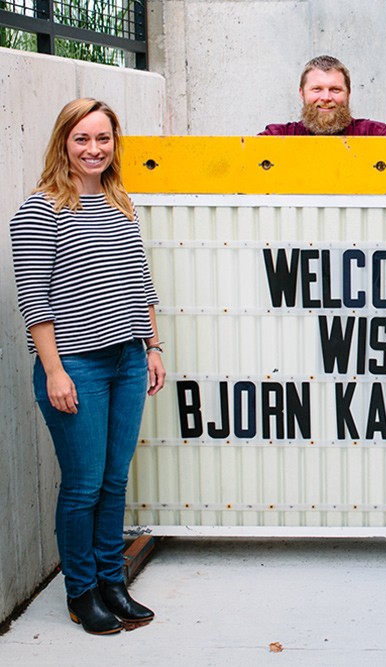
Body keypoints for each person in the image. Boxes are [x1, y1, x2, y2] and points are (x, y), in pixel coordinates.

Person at [10, 99, 166, 635]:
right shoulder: (41, 207)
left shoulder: (119, 200)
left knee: (114, 480)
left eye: (103, 139)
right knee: (82, 486)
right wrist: (54, 372)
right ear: (63, 143)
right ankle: (82, 592)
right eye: (82, 139)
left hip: (126, 360)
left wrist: (152, 346)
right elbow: (36, 303)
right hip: (76, 366)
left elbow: (139, 280)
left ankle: (111, 581)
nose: (93, 149)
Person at [259, 55, 386, 136]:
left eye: (335, 90)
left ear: (348, 94)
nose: (326, 97)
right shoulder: (277, 137)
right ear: (302, 93)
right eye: (317, 89)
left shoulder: (377, 135)